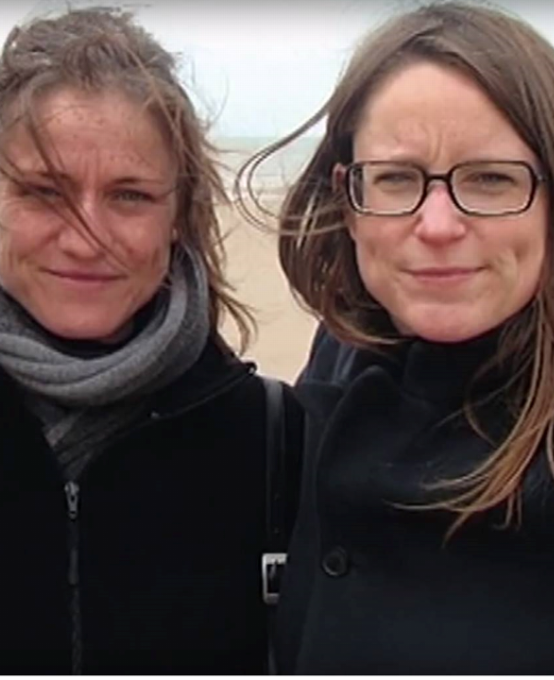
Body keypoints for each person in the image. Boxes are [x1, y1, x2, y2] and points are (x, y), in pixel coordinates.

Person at [0, 7, 303, 675]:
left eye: (129, 196)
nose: (86, 237)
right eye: (45, 192)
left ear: (177, 211)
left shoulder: (276, 443)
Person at [240, 2, 554, 674]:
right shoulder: (347, 349)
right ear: (348, 202)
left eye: (491, 178)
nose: (437, 225)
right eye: (396, 179)